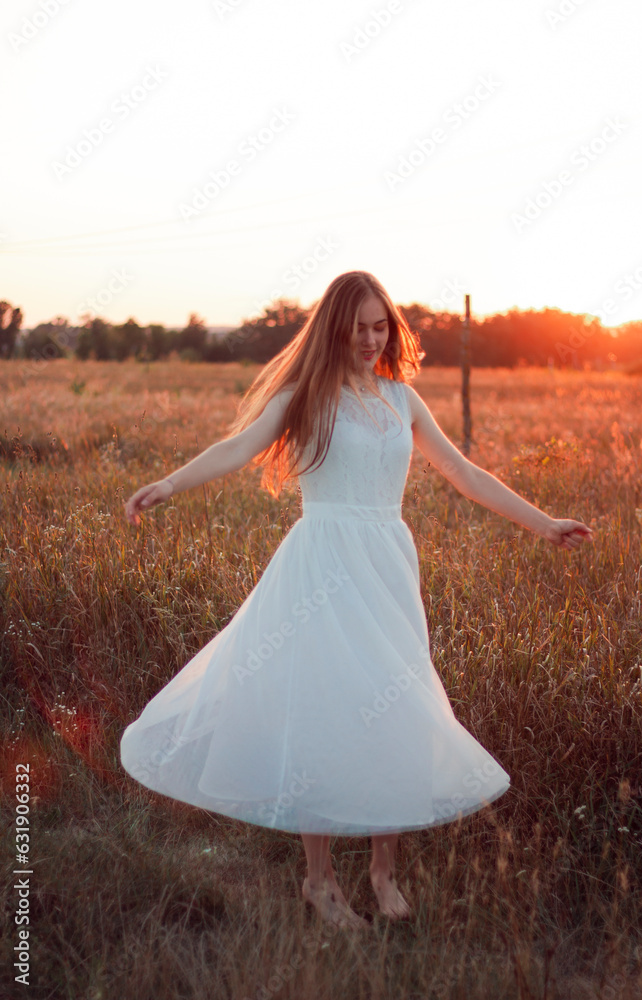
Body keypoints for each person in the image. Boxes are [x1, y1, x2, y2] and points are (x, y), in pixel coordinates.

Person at [121, 271, 593, 930]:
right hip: (320, 567)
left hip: (387, 566)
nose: (371, 339)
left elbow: (461, 472)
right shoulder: (303, 395)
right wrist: (168, 484)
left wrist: (541, 522)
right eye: (359, 327)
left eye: (380, 327)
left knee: (393, 707)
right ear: (334, 328)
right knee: (324, 710)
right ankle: (319, 881)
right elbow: (238, 447)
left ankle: (382, 872)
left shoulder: (402, 399)